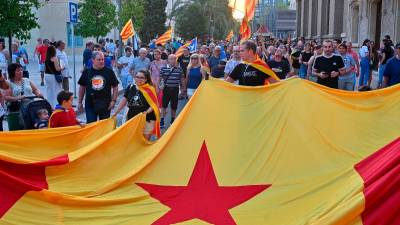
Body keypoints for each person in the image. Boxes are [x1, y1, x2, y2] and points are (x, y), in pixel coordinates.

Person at [113, 70, 160, 140]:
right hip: (132, 119)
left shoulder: (150, 89)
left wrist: (146, 112)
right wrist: (115, 113)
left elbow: (154, 104)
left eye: (142, 77)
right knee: (133, 140)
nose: (139, 79)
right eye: (137, 77)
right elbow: (124, 100)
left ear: (146, 79)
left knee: (144, 142)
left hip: (147, 119)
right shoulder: (130, 87)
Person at [78, 51, 119, 123]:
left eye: (103, 59)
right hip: (90, 104)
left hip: (105, 104)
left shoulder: (109, 72)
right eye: (99, 59)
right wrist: (79, 102)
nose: (101, 61)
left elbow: (115, 86)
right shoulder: (87, 72)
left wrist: (113, 100)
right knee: (91, 125)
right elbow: (82, 87)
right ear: (93, 60)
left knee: (103, 127)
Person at [4, 64, 43, 130]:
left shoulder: (26, 80)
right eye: (18, 70)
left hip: (30, 106)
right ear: (12, 72)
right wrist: (17, 98)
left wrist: (39, 94)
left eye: (21, 70)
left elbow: (35, 90)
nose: (21, 72)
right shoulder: (8, 83)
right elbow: (6, 97)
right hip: (17, 108)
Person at [159, 54, 185, 128]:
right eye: (171, 59)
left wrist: (183, 89)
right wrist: (158, 88)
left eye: (174, 59)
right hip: (166, 89)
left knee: (174, 106)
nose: (173, 61)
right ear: (167, 60)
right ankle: (162, 120)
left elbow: (182, 79)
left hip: (175, 89)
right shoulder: (163, 68)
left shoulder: (179, 69)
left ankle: (172, 120)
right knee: (164, 106)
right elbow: (160, 78)